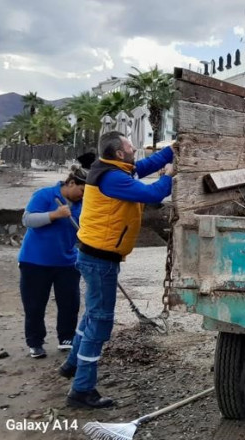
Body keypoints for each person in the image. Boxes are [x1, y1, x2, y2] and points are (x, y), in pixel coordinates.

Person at [58, 131, 175, 409]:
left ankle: (72, 365)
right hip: (100, 259)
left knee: (91, 314)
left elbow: (145, 166)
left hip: (94, 255)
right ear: (120, 154)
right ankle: (82, 390)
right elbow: (152, 193)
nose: (135, 149)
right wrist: (169, 175)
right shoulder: (112, 179)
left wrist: (174, 150)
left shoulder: (114, 168)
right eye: (130, 147)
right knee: (100, 321)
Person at [19, 167, 88, 359]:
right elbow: (28, 219)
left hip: (67, 262)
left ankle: (66, 338)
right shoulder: (45, 195)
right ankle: (35, 343)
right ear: (71, 183)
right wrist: (54, 215)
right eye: (82, 191)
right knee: (34, 304)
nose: (83, 195)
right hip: (35, 261)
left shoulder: (83, 204)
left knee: (70, 303)